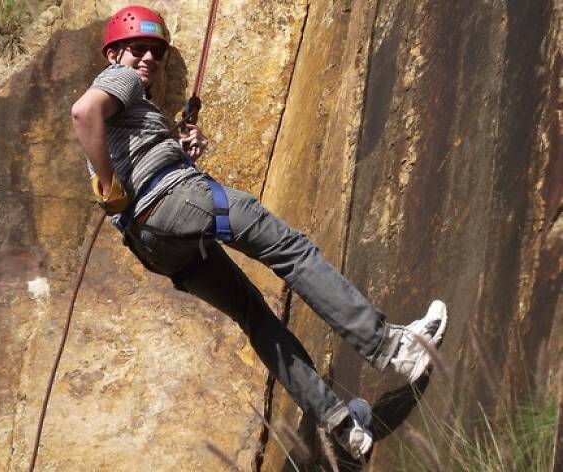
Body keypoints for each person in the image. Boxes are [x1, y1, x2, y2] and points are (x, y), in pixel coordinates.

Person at [71, 5, 448, 460]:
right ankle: (393, 349)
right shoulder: (119, 81)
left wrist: (176, 147)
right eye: (137, 49)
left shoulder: (130, 113)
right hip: (176, 201)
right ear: (114, 54)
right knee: (292, 251)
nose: (147, 59)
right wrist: (111, 184)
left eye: (156, 52)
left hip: (152, 243)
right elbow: (83, 111)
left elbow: (129, 154)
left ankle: (343, 427)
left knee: (255, 317)